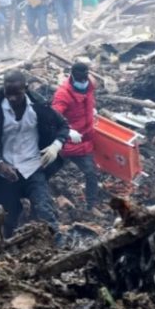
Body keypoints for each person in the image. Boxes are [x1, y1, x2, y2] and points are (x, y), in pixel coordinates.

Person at [0, 70, 68, 238]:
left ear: (26, 88)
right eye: (9, 94)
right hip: (6, 173)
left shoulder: (39, 107)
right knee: (7, 220)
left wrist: (56, 146)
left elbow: (63, 126)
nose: (13, 98)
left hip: (33, 167)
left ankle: (60, 249)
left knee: (45, 210)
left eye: (17, 93)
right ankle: (9, 253)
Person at [51, 62, 99, 210]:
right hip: (66, 142)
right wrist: (67, 131)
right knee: (50, 170)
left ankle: (91, 206)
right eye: (80, 79)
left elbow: (89, 101)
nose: (83, 82)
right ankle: (48, 198)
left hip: (84, 140)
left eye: (85, 79)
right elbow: (52, 118)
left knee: (91, 173)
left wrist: (93, 110)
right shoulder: (63, 94)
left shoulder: (89, 85)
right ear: (72, 76)